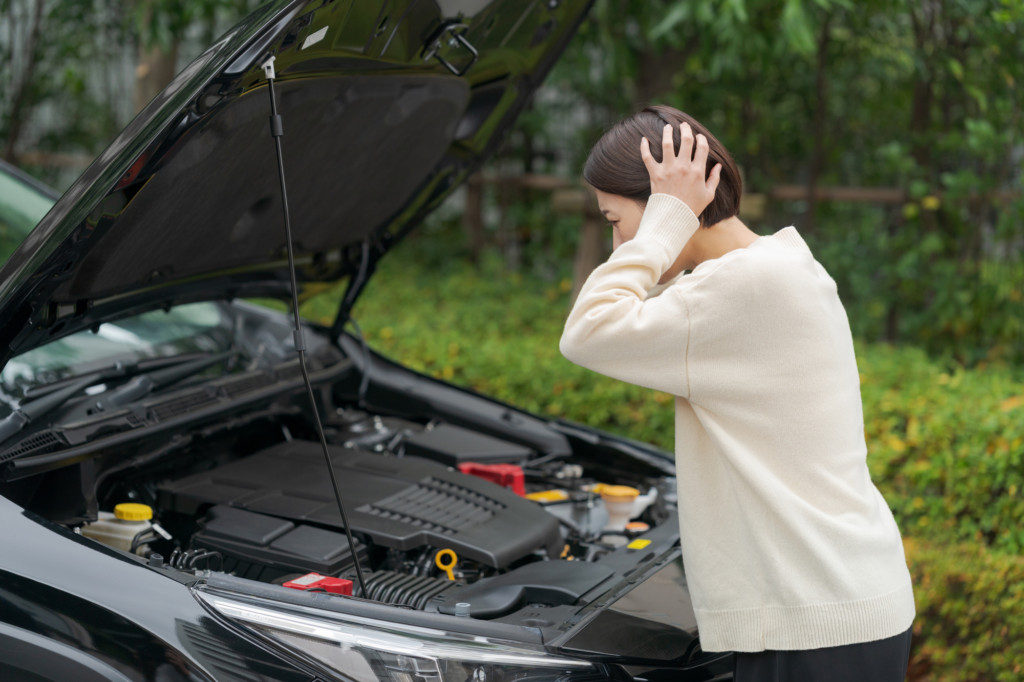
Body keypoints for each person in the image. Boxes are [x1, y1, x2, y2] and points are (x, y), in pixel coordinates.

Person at [558, 104, 915, 682]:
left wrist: (663, 226)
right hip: (837, 604)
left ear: (663, 208)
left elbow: (586, 332)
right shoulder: (774, 265)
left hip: (815, 622)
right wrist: (664, 225)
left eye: (615, 220)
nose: (616, 244)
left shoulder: (737, 290)